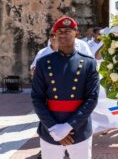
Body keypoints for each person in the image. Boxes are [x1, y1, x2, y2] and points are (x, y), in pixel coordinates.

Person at [31, 16, 99, 159]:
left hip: (79, 129)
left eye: (68, 31)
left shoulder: (88, 63)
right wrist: (54, 128)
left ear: (77, 34)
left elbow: (92, 98)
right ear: (54, 35)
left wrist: (68, 127)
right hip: (50, 129)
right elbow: (37, 98)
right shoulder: (43, 63)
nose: (63, 34)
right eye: (59, 31)